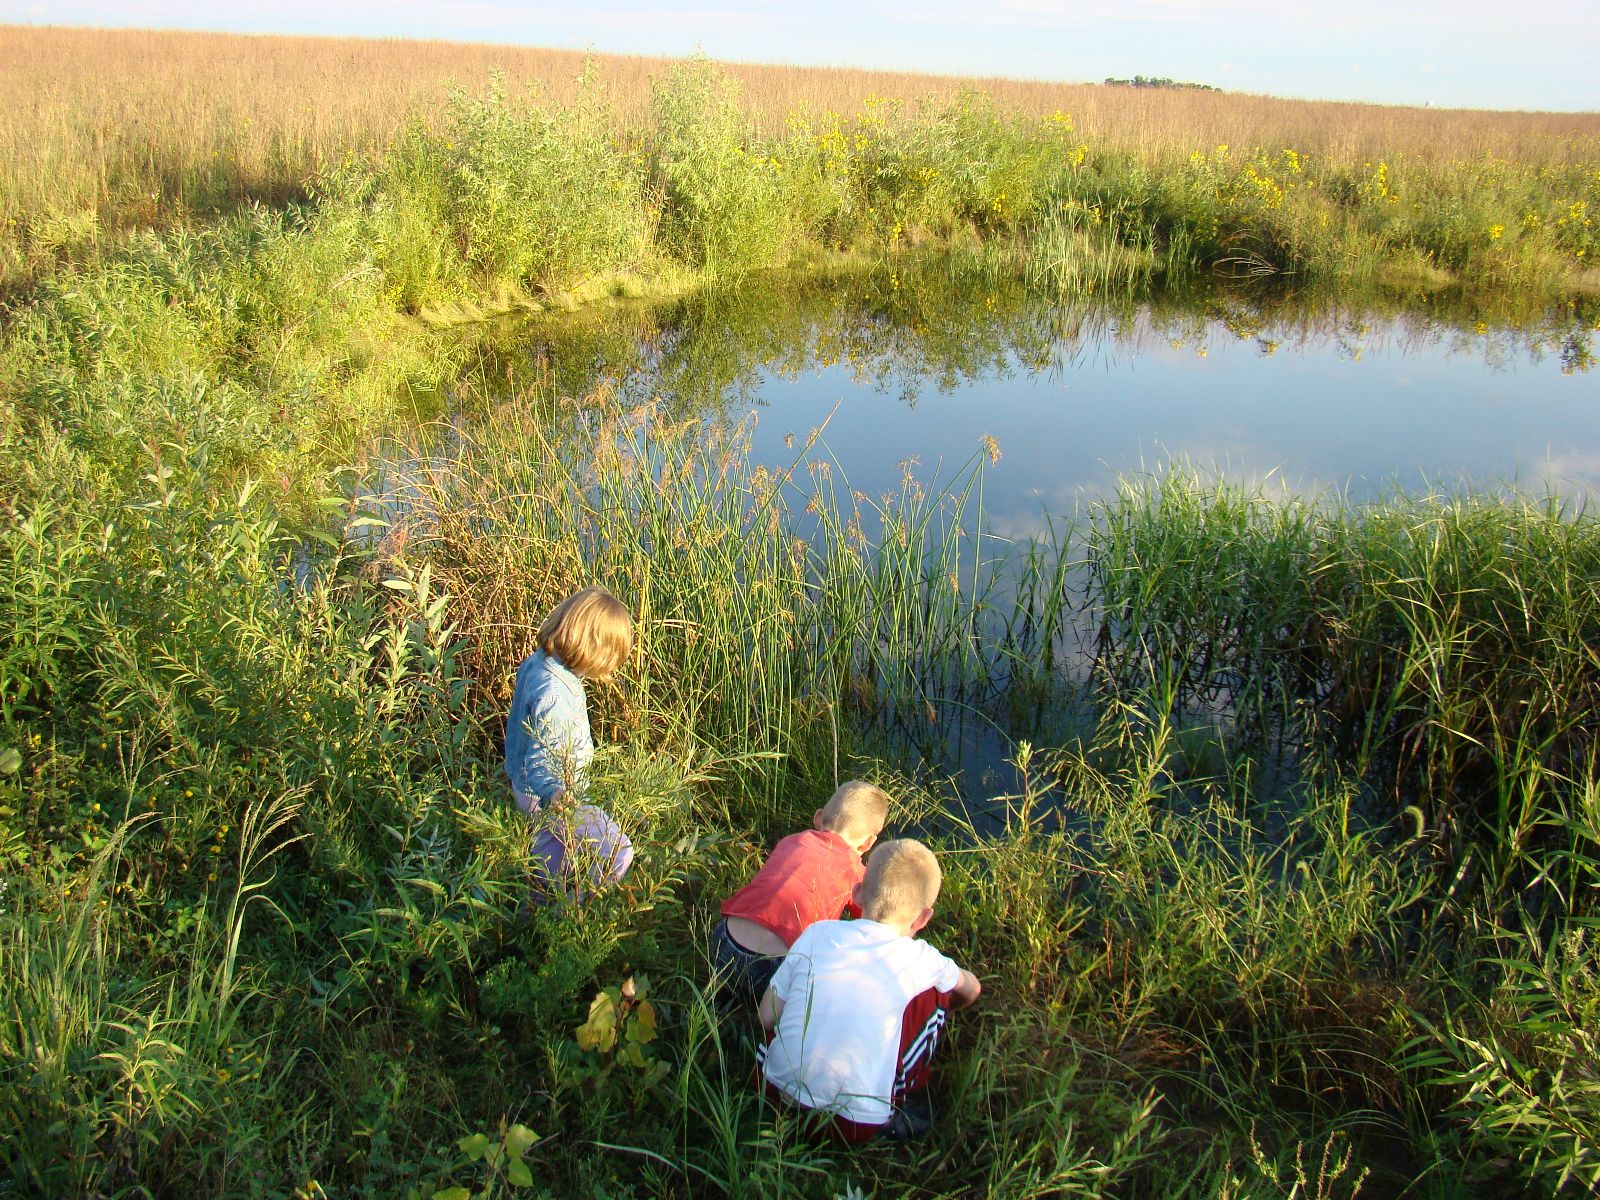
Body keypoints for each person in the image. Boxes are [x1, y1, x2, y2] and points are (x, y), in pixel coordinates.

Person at [758, 839, 981, 1142]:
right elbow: (972, 988)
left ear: (857, 893)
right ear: (923, 918)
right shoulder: (923, 959)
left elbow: (766, 1018)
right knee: (935, 995)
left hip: (773, 1091)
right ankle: (907, 1097)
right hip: (855, 1127)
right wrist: (950, 1005)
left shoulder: (818, 932)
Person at [710, 780, 890, 1004]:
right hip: (775, 964)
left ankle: (715, 999)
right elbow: (868, 920)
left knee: (722, 991)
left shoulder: (791, 841)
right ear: (868, 844)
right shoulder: (855, 871)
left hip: (725, 939)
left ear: (818, 817)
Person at [504, 585, 634, 892]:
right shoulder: (554, 694)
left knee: (550, 870)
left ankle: (539, 919)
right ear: (593, 647)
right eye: (610, 657)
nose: (611, 667)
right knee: (618, 854)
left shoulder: (541, 663)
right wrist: (558, 795)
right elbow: (540, 760)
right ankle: (575, 913)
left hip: (529, 793)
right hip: (552, 798)